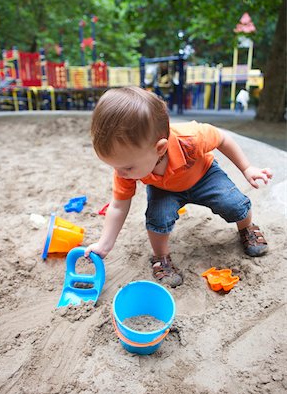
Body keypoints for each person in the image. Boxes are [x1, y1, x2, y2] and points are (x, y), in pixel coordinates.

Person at [85, 87, 272, 287]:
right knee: (157, 217)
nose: (120, 173)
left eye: (127, 167)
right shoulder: (126, 168)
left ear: (160, 148)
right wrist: (104, 244)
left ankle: (246, 230)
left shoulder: (191, 139)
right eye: (114, 166)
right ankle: (161, 257)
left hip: (204, 175)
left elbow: (222, 138)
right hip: (163, 189)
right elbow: (118, 206)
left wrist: (247, 168)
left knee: (233, 204)